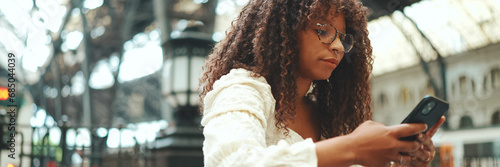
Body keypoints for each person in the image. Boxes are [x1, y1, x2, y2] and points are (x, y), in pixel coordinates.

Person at [198, 0, 446, 166]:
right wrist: (353, 147)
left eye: (343, 38)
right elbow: (230, 162)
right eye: (323, 30)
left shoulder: (328, 114)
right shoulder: (243, 88)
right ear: (283, 29)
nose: (338, 47)